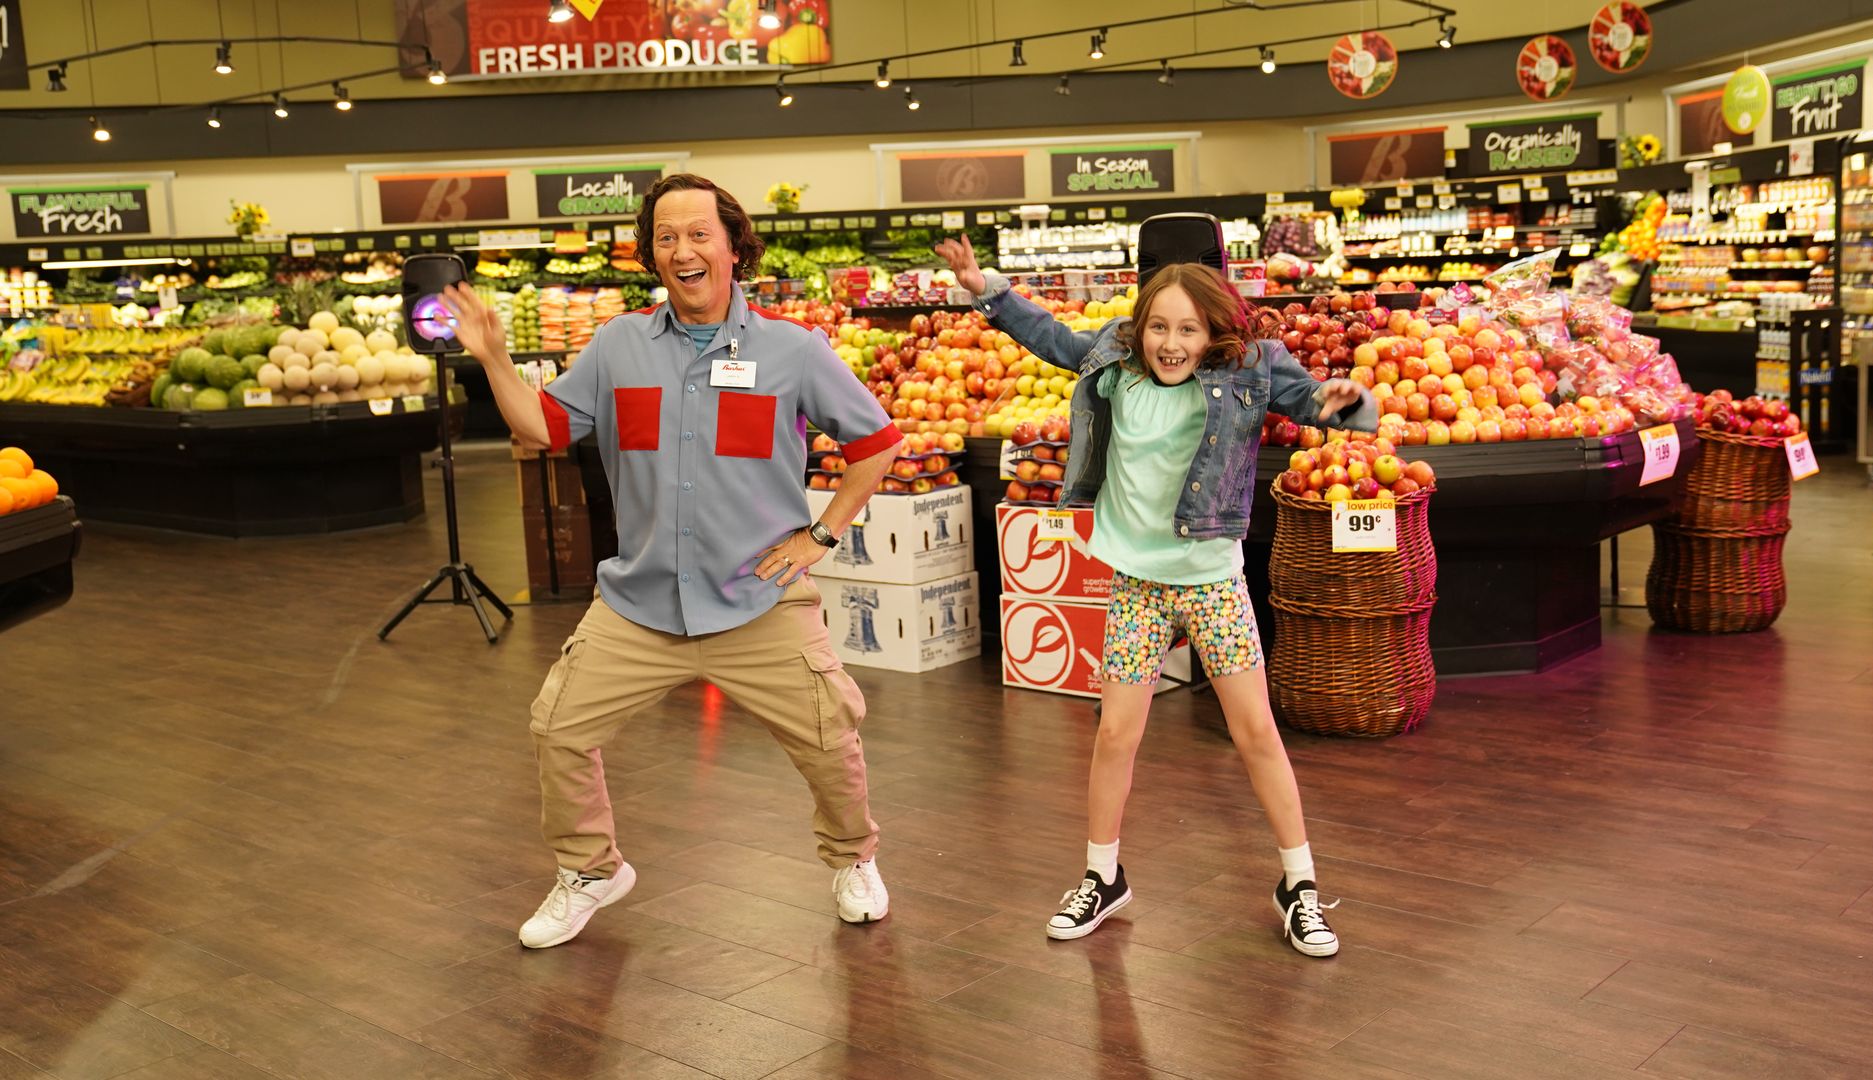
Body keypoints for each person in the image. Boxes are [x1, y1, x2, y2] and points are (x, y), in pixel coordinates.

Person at [440, 174, 904, 948]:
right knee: (557, 728)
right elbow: (545, 429)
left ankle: (854, 858)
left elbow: (877, 448)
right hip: (641, 601)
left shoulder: (793, 351)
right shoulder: (620, 344)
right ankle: (591, 870)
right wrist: (492, 357)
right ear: (650, 254)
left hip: (759, 597)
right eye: (665, 237)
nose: (682, 250)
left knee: (830, 737)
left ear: (732, 246)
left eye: (698, 234)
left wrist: (818, 537)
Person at [936, 235, 1375, 956]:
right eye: (1160, 327)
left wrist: (1345, 402)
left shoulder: (1247, 372)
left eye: (1189, 329)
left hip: (1210, 581)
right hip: (1136, 582)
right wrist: (986, 287)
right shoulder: (1113, 363)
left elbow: (1313, 400)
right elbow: (1050, 335)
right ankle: (1102, 876)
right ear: (1139, 329)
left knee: (1256, 733)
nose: (1172, 342)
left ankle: (1298, 884)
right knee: (1116, 735)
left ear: (1214, 333)